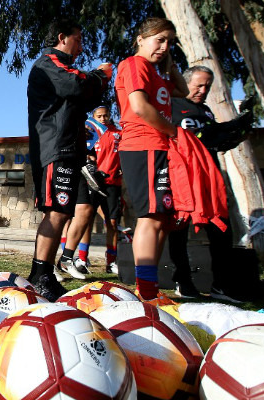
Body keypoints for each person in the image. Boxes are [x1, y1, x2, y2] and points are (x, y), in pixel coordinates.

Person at [27, 19, 112, 301]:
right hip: (55, 147)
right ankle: (39, 276)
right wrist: (99, 76)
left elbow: (83, 98)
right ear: (62, 37)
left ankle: (46, 273)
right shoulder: (49, 63)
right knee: (56, 211)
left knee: (64, 211)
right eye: (79, 38)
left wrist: (96, 84)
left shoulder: (66, 67)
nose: (82, 44)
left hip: (69, 148)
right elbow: (76, 86)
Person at [114, 17, 189, 303]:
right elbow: (140, 107)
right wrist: (174, 132)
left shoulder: (157, 73)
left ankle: (150, 289)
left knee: (161, 218)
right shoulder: (134, 65)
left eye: (169, 41)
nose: (164, 45)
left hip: (159, 147)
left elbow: (182, 91)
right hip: (143, 146)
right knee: (149, 217)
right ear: (140, 39)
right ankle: (146, 292)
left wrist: (169, 62)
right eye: (159, 39)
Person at [168, 65, 252, 302]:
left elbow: (215, 141)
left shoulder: (205, 111)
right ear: (185, 83)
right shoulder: (171, 106)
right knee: (178, 230)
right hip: (182, 178)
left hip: (209, 178)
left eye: (207, 86)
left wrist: (238, 129)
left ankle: (221, 285)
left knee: (221, 229)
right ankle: (182, 282)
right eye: (199, 85)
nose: (203, 90)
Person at [58, 106, 123, 277]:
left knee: (113, 223)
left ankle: (111, 261)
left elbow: (123, 154)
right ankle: (81, 259)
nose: (103, 118)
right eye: (99, 116)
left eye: (106, 115)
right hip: (91, 182)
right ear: (93, 117)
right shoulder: (88, 130)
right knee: (84, 219)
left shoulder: (118, 132)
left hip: (112, 183)